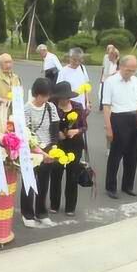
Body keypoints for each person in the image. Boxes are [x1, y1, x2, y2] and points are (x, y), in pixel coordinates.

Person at [103, 55, 137, 199]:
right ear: (121, 67)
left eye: (134, 71)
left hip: (134, 117)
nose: (131, 73)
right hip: (118, 118)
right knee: (116, 154)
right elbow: (106, 106)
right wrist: (108, 128)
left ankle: (128, 185)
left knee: (132, 155)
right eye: (128, 70)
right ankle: (111, 186)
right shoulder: (110, 81)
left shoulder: (135, 80)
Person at [21, 78, 59, 228]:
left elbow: (55, 128)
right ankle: (27, 213)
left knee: (44, 182)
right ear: (36, 94)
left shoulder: (51, 107)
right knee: (29, 183)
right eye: (43, 96)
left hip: (48, 148)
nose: (46, 99)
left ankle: (41, 212)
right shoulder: (26, 109)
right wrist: (39, 151)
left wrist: (54, 147)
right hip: (31, 149)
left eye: (48, 96)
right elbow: (26, 133)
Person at [50, 81, 87, 216]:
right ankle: (54, 204)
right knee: (56, 174)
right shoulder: (52, 106)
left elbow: (84, 126)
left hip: (75, 144)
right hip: (58, 145)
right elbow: (48, 125)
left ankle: (70, 207)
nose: (64, 100)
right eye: (61, 97)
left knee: (72, 175)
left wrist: (76, 131)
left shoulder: (77, 107)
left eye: (66, 97)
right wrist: (57, 134)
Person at [0, 53, 22, 133]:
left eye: (10, 62)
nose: (9, 65)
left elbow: (19, 94)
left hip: (13, 115)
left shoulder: (16, 78)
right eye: (6, 62)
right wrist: (2, 100)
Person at [100, 45, 120, 111]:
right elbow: (105, 70)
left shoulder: (117, 64)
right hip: (106, 81)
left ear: (113, 55)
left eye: (110, 54)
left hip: (113, 84)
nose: (108, 56)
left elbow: (118, 73)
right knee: (103, 94)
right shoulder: (109, 62)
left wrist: (113, 74)